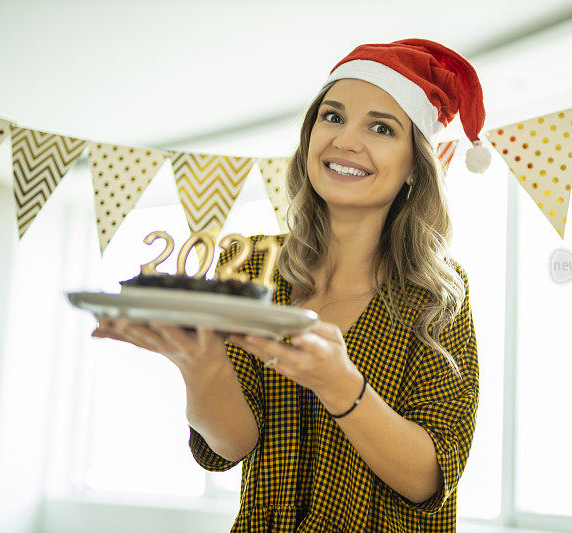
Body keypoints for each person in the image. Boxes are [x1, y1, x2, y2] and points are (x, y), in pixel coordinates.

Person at [92, 38, 490, 532]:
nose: (345, 140)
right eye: (333, 116)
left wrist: (339, 384)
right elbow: (230, 445)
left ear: (414, 167)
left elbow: (429, 480)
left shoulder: (437, 293)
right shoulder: (249, 261)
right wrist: (200, 362)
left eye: (382, 127)